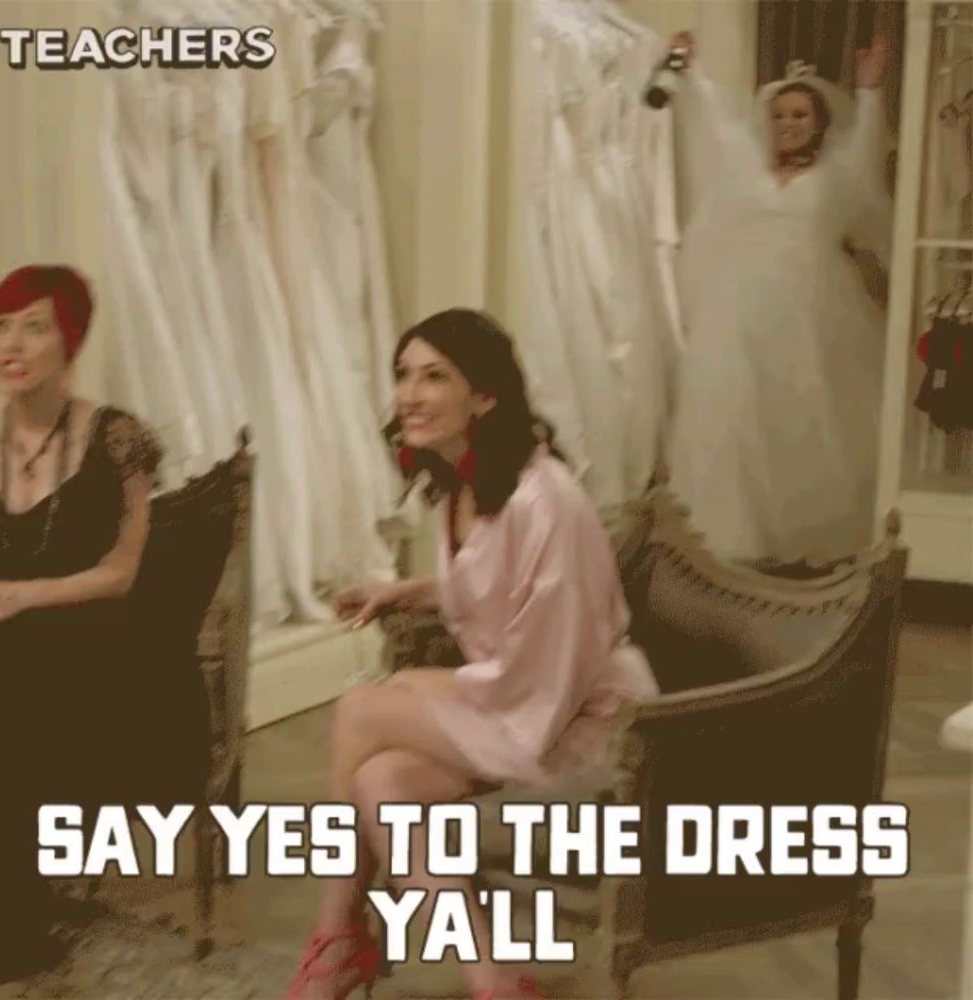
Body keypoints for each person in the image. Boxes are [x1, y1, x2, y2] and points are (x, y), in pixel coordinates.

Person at [285, 308, 659, 1000]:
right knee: (381, 781)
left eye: (434, 377)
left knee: (362, 710)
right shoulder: (463, 483)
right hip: (526, 690)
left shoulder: (547, 501)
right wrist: (408, 590)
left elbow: (556, 655)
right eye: (403, 375)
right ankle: (494, 983)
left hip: (589, 721)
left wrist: (451, 692)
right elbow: (496, 586)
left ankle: (337, 936)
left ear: (484, 395)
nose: (410, 395)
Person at [0, 265, 162, 987]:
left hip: (86, 640)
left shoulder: (117, 437)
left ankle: (13, 924)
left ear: (71, 339)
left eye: (34, 327)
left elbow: (122, 572)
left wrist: (24, 595)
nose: (11, 344)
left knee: (5, 688)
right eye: (0, 326)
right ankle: (4, 896)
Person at [665, 30, 893, 566]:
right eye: (780, 115)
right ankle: (729, 536)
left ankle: (800, 535)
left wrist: (869, 90)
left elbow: (867, 153)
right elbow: (712, 126)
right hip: (737, 307)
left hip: (812, 312)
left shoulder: (838, 175)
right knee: (730, 412)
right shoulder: (743, 168)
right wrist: (691, 73)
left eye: (800, 116)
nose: (788, 124)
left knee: (802, 418)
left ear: (819, 123)